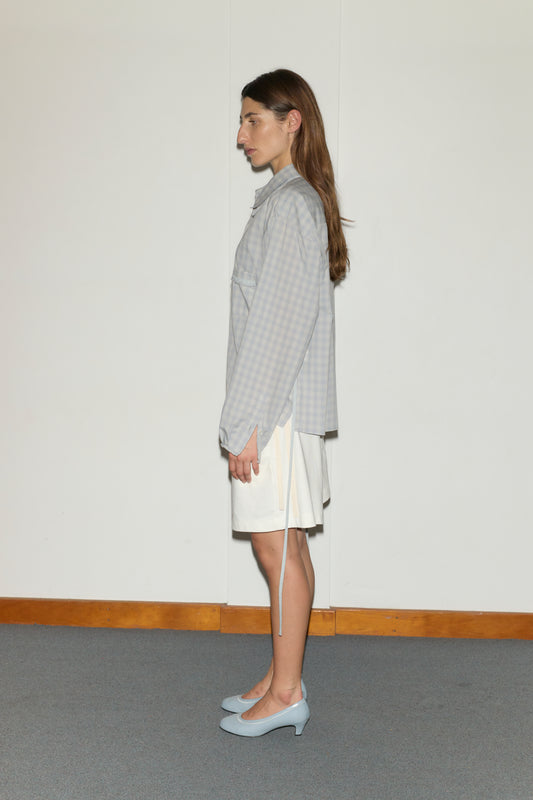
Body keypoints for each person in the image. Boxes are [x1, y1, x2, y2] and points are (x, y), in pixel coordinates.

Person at [218, 69, 348, 737]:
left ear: (289, 119)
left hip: (274, 410)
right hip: (284, 408)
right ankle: (279, 676)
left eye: (252, 120)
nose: (240, 136)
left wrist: (245, 426)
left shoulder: (290, 205)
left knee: (276, 550)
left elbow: (275, 326)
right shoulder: (287, 202)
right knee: (287, 548)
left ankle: (288, 691)